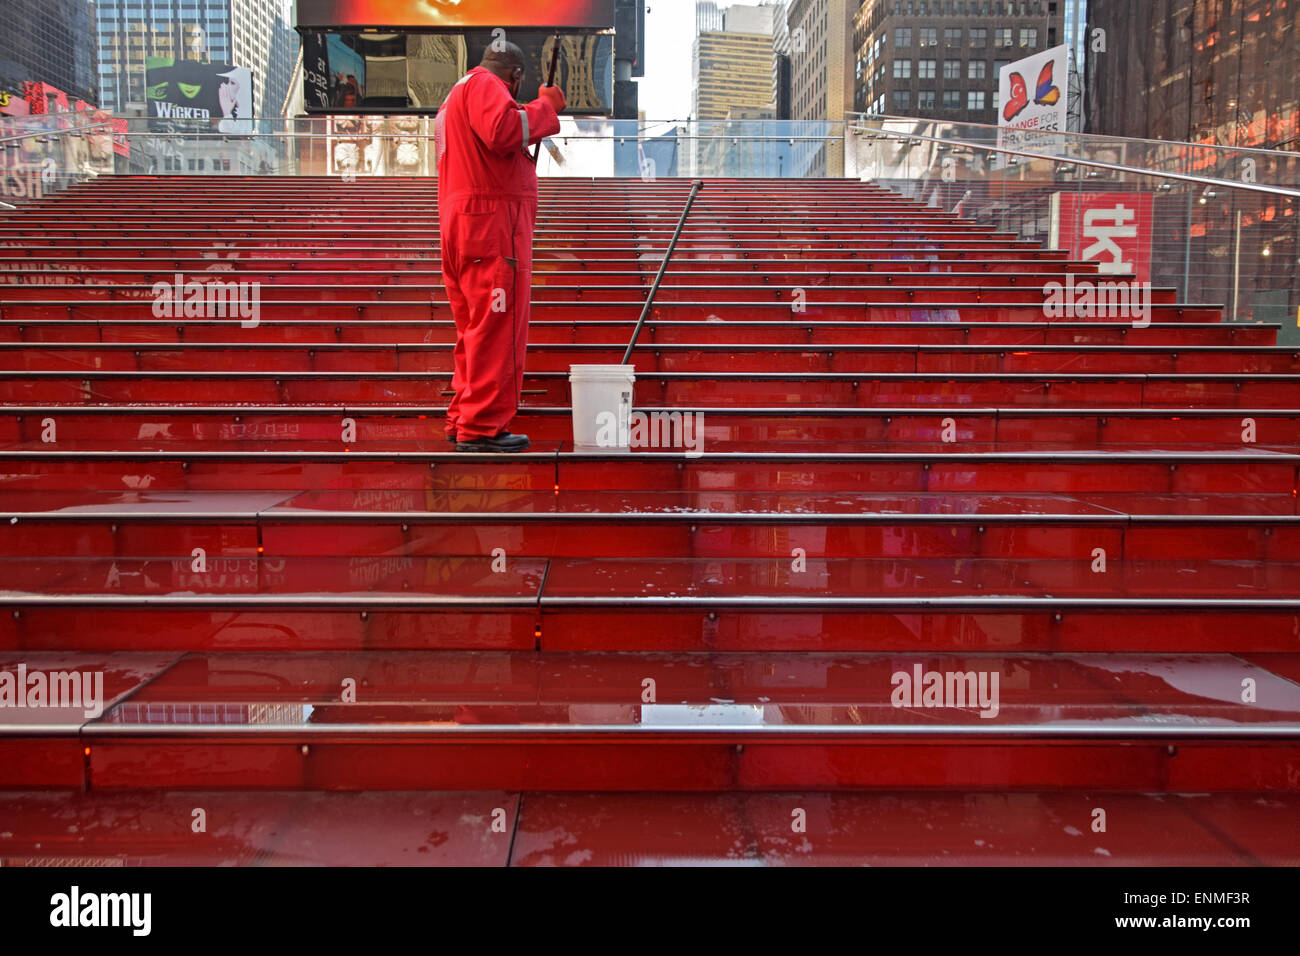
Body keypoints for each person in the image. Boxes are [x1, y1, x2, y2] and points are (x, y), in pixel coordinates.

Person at [435, 42, 565, 452]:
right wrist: (545, 108)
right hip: (492, 225)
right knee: (497, 326)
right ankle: (482, 426)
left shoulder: (455, 97)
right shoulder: (486, 85)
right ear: (516, 76)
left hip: (463, 226)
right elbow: (503, 130)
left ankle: (463, 417)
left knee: (474, 330)